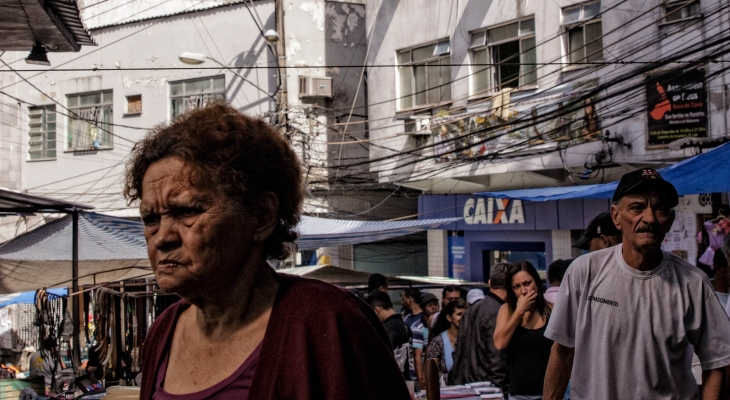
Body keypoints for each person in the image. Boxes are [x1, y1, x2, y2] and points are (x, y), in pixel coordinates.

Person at [128, 104, 410, 399]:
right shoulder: (163, 333)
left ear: (262, 215)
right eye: (151, 219)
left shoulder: (328, 321)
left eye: (186, 211)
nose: (162, 238)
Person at [543, 168, 730, 400]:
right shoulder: (584, 272)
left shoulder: (693, 283)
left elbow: (718, 361)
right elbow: (562, 351)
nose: (649, 218)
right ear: (616, 216)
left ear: (670, 220)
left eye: (660, 209)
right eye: (637, 208)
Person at [494, 261, 554, 400]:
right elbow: (499, 343)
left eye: (527, 283)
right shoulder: (506, 310)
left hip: (548, 393)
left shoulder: (551, 310)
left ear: (536, 282)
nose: (523, 291)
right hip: (518, 394)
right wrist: (519, 311)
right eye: (517, 287)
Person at [449, 263, 510, 392]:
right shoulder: (499, 312)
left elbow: (458, 349)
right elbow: (497, 358)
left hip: (463, 386)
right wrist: (501, 390)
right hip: (486, 389)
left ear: (489, 283)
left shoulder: (470, 310)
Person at [366, 291, 413, 382]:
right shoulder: (405, 325)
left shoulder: (386, 330)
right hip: (407, 382)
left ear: (376, 310)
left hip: (392, 383)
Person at [426, 299, 467, 385]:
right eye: (459, 314)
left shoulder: (471, 338)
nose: (463, 318)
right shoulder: (438, 341)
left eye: (465, 314)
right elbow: (431, 371)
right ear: (449, 317)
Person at [412, 292, 439, 390]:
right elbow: (417, 356)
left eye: (435, 304)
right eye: (429, 305)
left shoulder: (443, 323)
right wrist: (421, 379)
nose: (433, 307)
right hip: (427, 370)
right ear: (422, 308)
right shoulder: (417, 327)